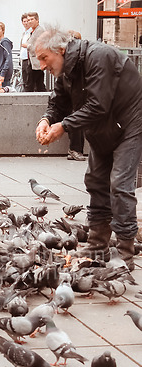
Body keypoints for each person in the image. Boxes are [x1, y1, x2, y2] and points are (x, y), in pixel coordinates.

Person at [35, 27, 142, 270]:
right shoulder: (66, 69)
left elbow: (98, 105)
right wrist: (46, 120)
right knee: (95, 180)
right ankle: (97, 244)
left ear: (60, 50)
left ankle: (125, 252)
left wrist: (63, 126)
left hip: (129, 125)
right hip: (101, 127)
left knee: (120, 184)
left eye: (44, 58)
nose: (41, 66)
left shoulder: (99, 56)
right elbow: (58, 101)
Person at [66, 30, 86, 161]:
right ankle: (75, 149)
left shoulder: (79, 57)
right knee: (76, 121)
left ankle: (76, 149)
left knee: (77, 121)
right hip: (73, 94)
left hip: (78, 93)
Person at [26, 12, 46, 91]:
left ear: (37, 20)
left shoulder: (40, 30)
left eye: (32, 19)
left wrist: (27, 46)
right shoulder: (32, 31)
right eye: (28, 20)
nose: (29, 21)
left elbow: (40, 47)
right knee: (37, 83)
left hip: (36, 62)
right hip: (32, 61)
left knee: (33, 84)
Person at [0, 22, 13, 87]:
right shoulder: (0, 43)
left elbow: (8, 58)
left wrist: (3, 74)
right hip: (0, 73)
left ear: (3, 30)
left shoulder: (5, 42)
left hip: (4, 75)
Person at [19, 13, 32, 92]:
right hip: (23, 58)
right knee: (24, 79)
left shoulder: (31, 33)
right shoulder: (24, 33)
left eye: (27, 21)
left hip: (29, 59)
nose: (25, 23)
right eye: (24, 21)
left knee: (28, 80)